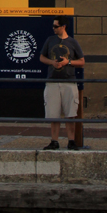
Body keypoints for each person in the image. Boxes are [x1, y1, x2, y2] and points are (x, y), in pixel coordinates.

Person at [39, 17, 85, 150]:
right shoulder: (50, 40)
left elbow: (82, 61)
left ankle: (71, 140)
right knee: (54, 114)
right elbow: (42, 57)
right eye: (53, 26)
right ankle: (54, 141)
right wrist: (52, 62)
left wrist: (68, 62)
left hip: (69, 81)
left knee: (70, 113)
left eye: (56, 26)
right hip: (52, 80)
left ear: (63, 27)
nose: (53, 28)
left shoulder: (73, 42)